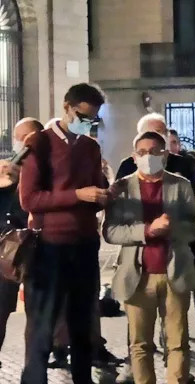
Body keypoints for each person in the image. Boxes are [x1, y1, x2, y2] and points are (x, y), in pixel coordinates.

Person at [19, 83, 109, 384]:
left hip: (84, 244)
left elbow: (96, 189)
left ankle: (83, 378)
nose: (87, 123)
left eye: (93, 119)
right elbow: (30, 199)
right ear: (67, 108)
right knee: (42, 327)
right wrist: (77, 195)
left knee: (82, 325)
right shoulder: (40, 143)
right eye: (84, 116)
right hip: (49, 247)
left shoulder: (90, 147)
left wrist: (103, 195)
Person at [103, 131, 195, 384]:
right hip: (137, 276)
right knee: (140, 344)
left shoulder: (181, 185)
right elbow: (111, 232)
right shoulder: (123, 188)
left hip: (175, 273)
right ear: (134, 157)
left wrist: (172, 228)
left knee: (178, 342)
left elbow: (194, 228)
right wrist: (147, 231)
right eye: (143, 152)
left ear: (165, 154)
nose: (149, 157)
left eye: (155, 151)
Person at [0, 118, 43, 368]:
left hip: (40, 248)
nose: (22, 143)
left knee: (38, 318)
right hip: (7, 250)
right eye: (19, 138)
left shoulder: (49, 166)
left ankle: (34, 372)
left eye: (27, 137)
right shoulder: (7, 168)